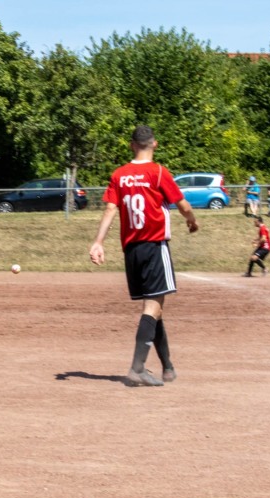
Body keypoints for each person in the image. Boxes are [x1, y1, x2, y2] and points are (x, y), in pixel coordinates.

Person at [89, 125, 198, 387]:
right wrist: (192, 220)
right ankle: (137, 368)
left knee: (154, 307)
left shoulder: (120, 175)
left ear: (131, 145)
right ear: (155, 144)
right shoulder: (158, 172)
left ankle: (168, 366)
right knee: (153, 307)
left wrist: (98, 242)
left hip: (131, 250)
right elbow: (182, 205)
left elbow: (110, 209)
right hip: (154, 245)